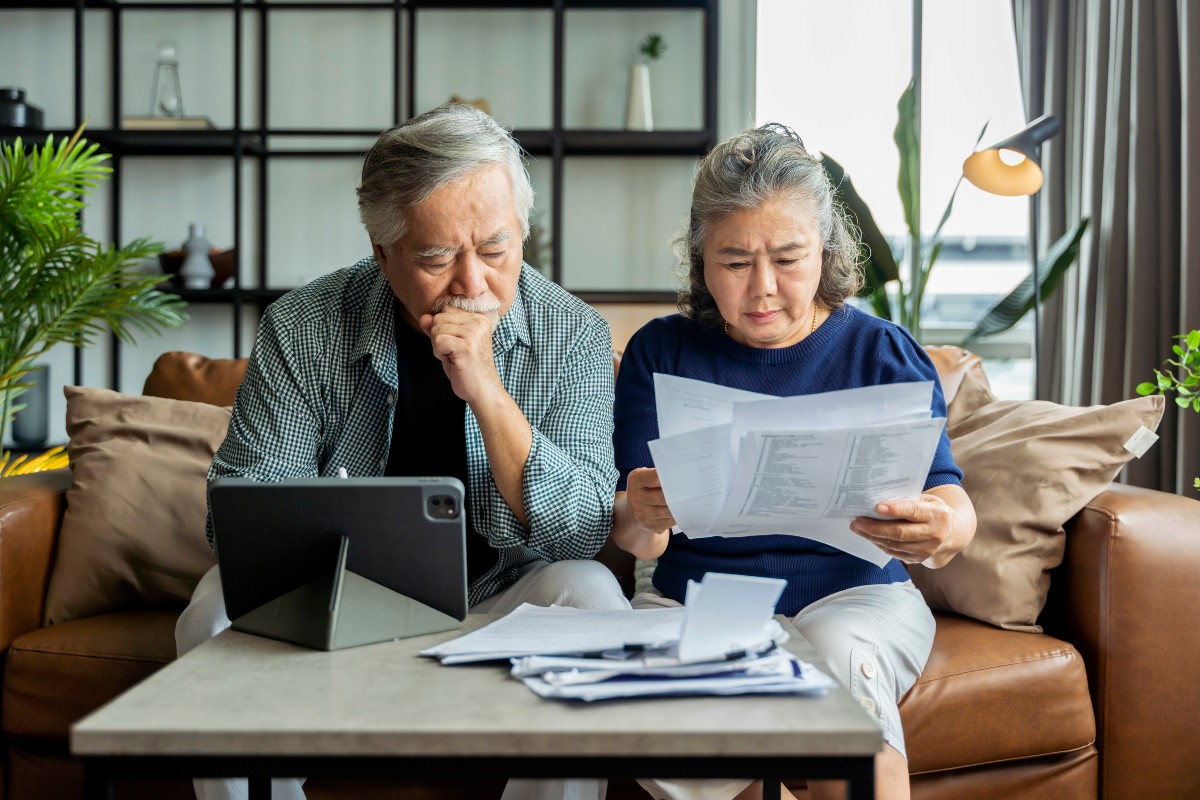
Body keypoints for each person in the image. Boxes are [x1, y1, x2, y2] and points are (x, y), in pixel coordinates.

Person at [176, 102, 628, 800]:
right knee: (211, 611)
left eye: (496, 250)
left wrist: (486, 390)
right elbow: (239, 518)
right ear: (382, 252)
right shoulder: (302, 326)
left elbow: (583, 531)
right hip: (334, 596)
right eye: (437, 257)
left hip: (501, 596)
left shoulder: (573, 334)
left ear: (523, 232)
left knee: (594, 597)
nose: (472, 284)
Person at [610, 123, 977, 800]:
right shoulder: (661, 352)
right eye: (734, 262)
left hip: (856, 593)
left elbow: (949, 499)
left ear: (825, 251)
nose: (763, 289)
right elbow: (637, 538)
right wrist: (642, 509)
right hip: (694, 596)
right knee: (673, 705)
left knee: (841, 661)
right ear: (700, 259)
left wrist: (943, 527)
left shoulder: (882, 352)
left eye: (788, 258)